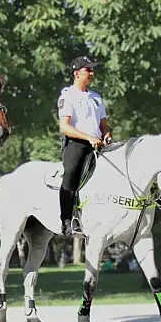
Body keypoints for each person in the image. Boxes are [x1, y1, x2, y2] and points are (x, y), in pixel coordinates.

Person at [57, 55, 112, 237]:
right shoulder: (68, 96)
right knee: (71, 174)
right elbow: (64, 127)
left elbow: (103, 124)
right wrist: (88, 137)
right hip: (77, 144)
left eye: (92, 69)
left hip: (97, 144)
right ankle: (67, 220)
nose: (92, 72)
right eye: (88, 69)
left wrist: (107, 134)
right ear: (76, 73)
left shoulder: (96, 97)